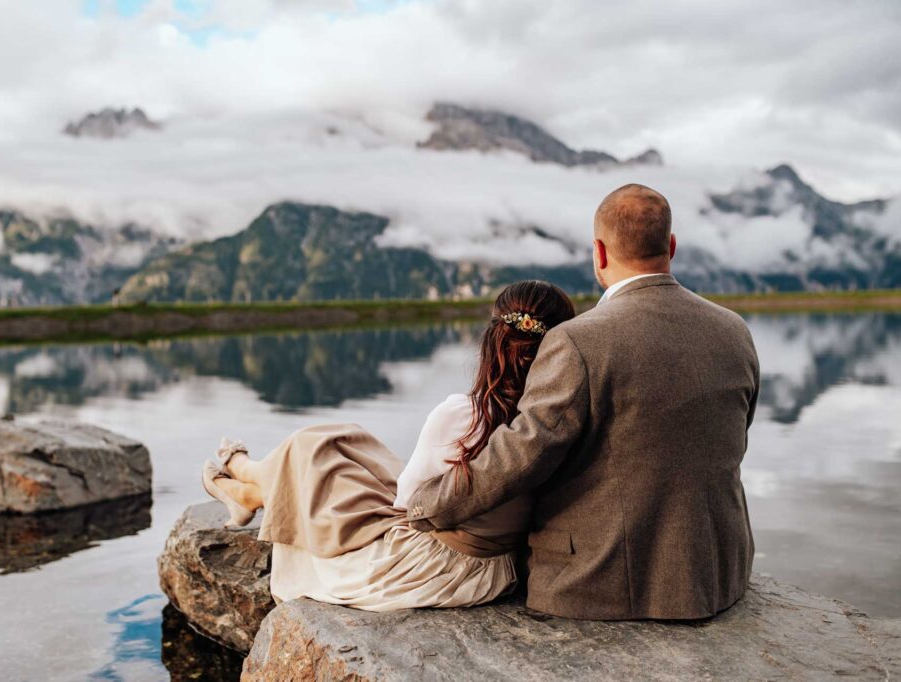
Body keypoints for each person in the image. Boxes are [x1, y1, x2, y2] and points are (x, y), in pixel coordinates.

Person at [406, 184, 760, 620]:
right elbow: (732, 438)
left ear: (599, 253)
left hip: (605, 583)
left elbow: (520, 455)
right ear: (670, 246)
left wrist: (427, 506)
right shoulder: (734, 330)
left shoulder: (577, 340)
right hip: (719, 572)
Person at [201, 280, 576, 611]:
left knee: (316, 450)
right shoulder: (556, 418)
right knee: (346, 442)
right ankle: (250, 491)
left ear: (492, 340)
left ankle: (247, 478)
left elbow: (407, 503)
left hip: (432, 568)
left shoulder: (466, 414)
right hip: (497, 568)